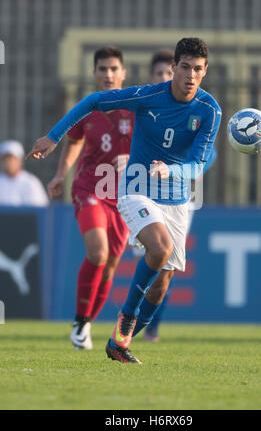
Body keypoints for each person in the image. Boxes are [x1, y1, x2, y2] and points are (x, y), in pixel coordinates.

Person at [26, 37, 222, 365]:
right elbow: (93, 100)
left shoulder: (209, 110)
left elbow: (198, 165)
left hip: (174, 198)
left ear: (204, 72)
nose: (190, 75)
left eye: (198, 69)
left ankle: (120, 342)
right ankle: (126, 315)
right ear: (174, 68)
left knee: (162, 283)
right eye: (185, 67)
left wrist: (172, 170)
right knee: (157, 250)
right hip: (135, 189)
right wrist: (53, 136)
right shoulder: (148, 96)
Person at [47, 46, 135, 350]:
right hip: (89, 190)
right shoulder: (87, 108)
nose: (108, 74)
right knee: (97, 253)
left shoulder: (136, 109)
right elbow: (73, 143)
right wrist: (60, 174)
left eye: (113, 69)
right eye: (102, 69)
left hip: (123, 198)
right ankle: (79, 322)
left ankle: (85, 323)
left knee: (110, 265)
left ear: (123, 73)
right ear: (94, 73)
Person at [140, 49, 217, 342]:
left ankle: (151, 327)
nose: (164, 77)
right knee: (152, 258)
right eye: (159, 74)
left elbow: (206, 157)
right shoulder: (148, 108)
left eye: (197, 70)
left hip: (181, 196)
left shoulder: (200, 110)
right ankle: (131, 318)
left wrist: (178, 170)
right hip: (144, 193)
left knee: (166, 264)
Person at [0, 140, 48, 206]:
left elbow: (39, 210)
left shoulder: (31, 182)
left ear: (19, 160)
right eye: (5, 158)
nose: (8, 162)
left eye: (12, 159)